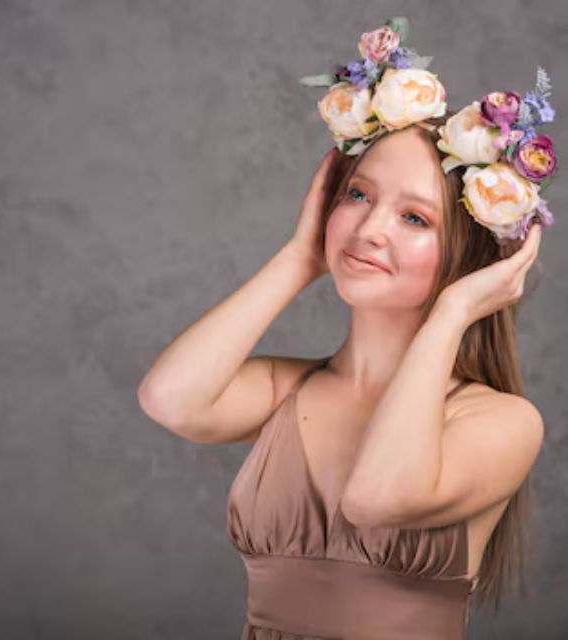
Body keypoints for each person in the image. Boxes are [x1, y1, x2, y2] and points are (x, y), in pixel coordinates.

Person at [138, 16, 557, 639]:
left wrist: (452, 313)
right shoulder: (288, 391)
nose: (369, 230)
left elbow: (377, 498)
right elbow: (168, 400)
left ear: (468, 259)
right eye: (358, 196)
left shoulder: (503, 422)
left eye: (415, 218)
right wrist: (295, 260)